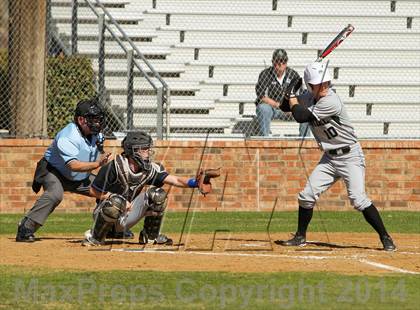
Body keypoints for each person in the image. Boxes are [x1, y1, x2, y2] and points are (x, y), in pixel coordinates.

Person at [276, 61, 396, 251]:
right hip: (329, 158)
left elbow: (300, 116)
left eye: (325, 82)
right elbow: (285, 107)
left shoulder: (331, 100)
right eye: (318, 83)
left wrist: (292, 96)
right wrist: (290, 92)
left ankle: (385, 237)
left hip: (350, 156)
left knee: (358, 199)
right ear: (310, 85)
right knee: (306, 196)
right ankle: (300, 236)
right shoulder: (308, 97)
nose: (324, 86)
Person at [82, 131, 220, 246]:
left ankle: (150, 236)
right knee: (117, 201)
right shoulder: (114, 166)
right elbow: (93, 191)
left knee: (158, 194)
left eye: (148, 149)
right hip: (104, 213)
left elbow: (174, 179)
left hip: (125, 217)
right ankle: (96, 237)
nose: (148, 153)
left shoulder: (149, 169)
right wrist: (113, 198)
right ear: (132, 151)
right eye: (144, 149)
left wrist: (195, 183)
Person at [16, 98, 112, 242]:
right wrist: (98, 164)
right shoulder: (68, 135)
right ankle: (26, 227)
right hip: (54, 171)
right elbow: (73, 165)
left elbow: (95, 152)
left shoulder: (97, 135)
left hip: (79, 177)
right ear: (80, 119)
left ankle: (113, 228)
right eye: (93, 119)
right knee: (55, 194)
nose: (97, 123)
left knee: (108, 190)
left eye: (99, 119)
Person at [254, 48, 309, 137]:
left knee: (306, 109)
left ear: (286, 62)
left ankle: (305, 141)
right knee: (263, 108)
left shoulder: (293, 74)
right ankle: (264, 139)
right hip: (273, 109)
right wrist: (278, 105)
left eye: (283, 61)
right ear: (272, 62)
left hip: (291, 109)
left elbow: (300, 94)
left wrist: (292, 107)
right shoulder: (265, 74)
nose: (280, 64)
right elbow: (261, 96)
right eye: (277, 61)